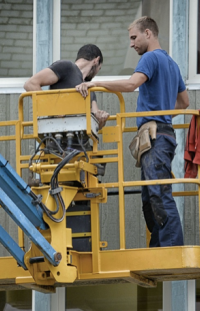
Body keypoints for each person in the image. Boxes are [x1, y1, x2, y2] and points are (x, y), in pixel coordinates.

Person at [75, 17, 189, 247]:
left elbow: (130, 85)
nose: (131, 44)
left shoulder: (150, 58)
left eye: (134, 37)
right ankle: (159, 246)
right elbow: (184, 103)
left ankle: (170, 247)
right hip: (162, 135)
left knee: (157, 193)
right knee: (150, 196)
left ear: (148, 33)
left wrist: (95, 85)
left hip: (155, 137)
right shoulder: (171, 63)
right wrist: (162, 116)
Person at [24, 44, 109, 130]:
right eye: (99, 68)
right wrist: (53, 110)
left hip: (81, 141)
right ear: (96, 61)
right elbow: (30, 84)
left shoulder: (91, 89)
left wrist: (101, 118)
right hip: (57, 138)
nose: (96, 73)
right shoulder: (67, 67)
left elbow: (95, 120)